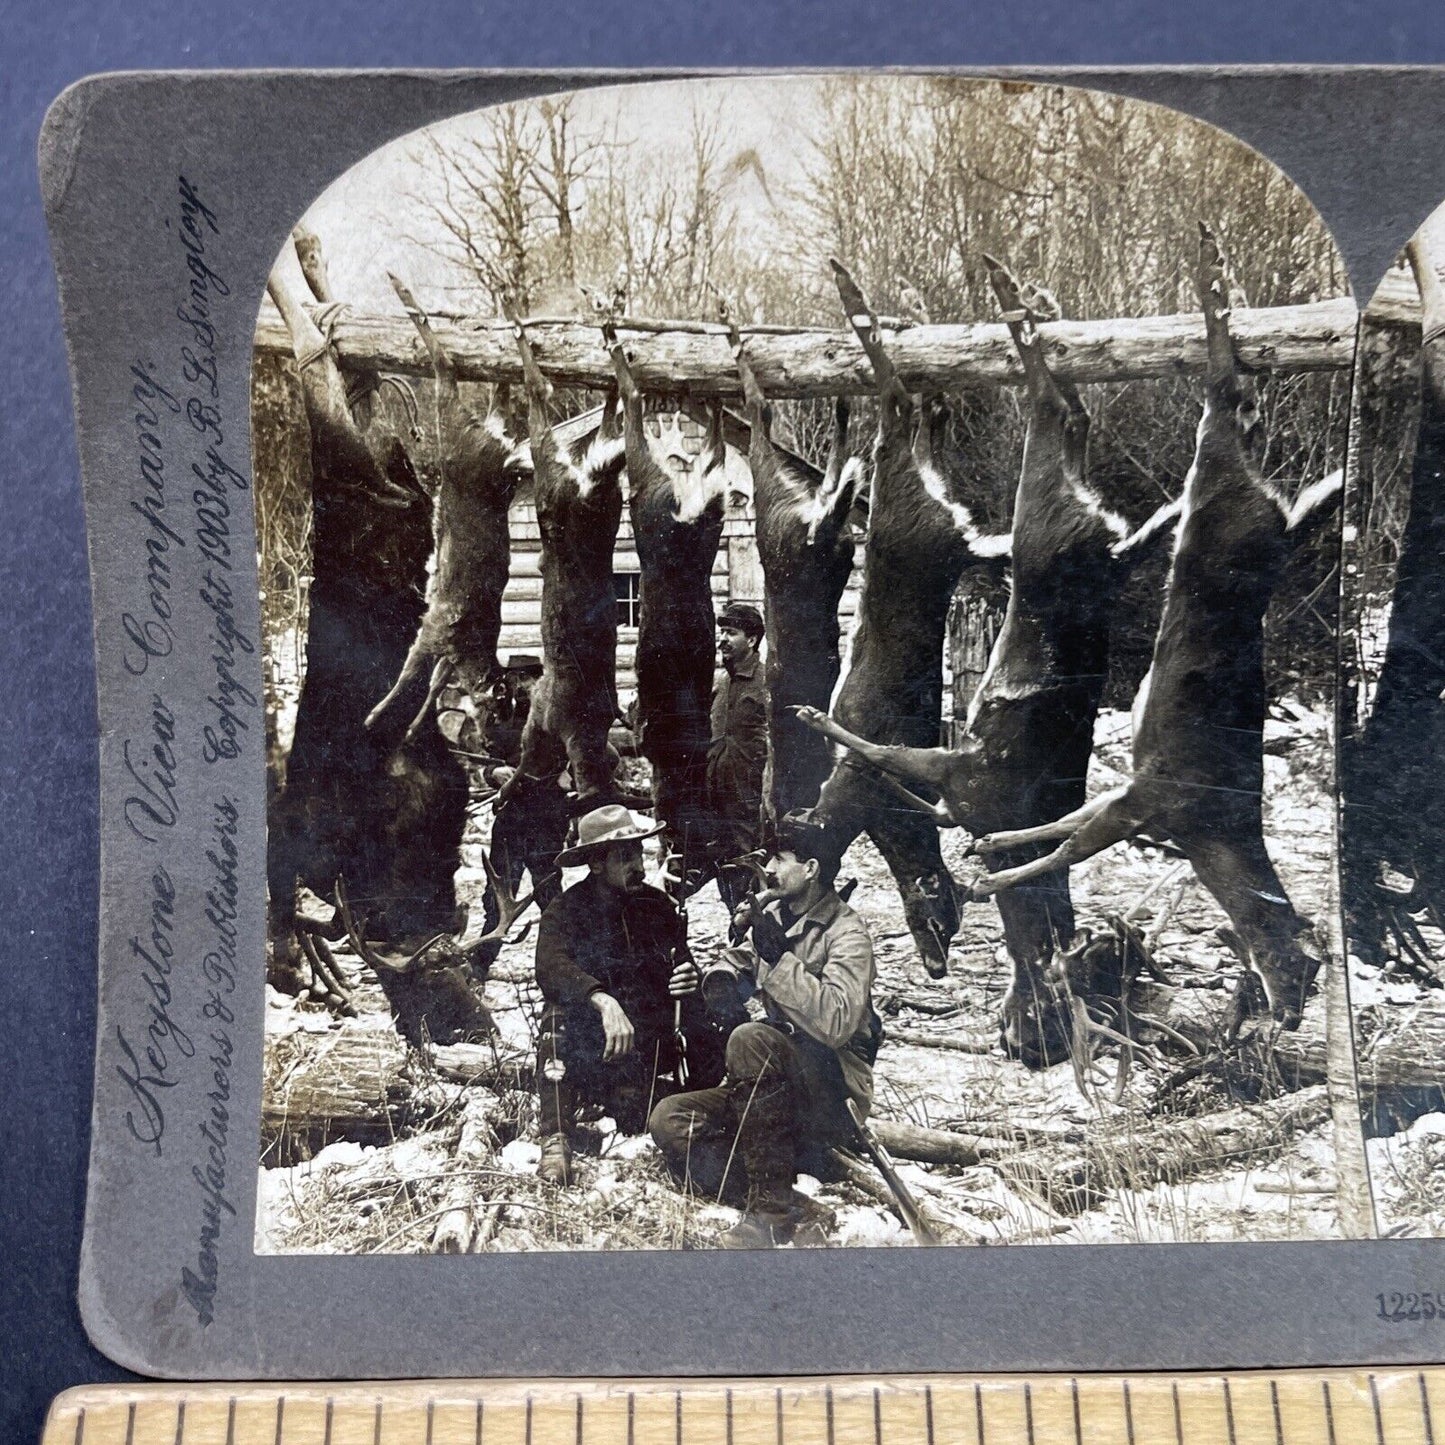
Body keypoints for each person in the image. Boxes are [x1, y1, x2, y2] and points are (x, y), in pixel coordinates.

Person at [649, 812, 880, 1248]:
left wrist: (780, 961)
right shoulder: (775, 913)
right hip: (770, 1089)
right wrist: (718, 979)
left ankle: (768, 1217)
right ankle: (792, 1202)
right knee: (670, 1119)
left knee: (751, 1039)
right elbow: (739, 961)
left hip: (833, 1097)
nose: (768, 868)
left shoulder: (848, 935)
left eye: (780, 857)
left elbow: (835, 1023)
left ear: (811, 869)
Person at [534, 804, 725, 1185]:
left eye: (638, 853)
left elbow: (681, 963)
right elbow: (549, 966)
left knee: (711, 1016)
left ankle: (706, 1116)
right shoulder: (567, 909)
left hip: (651, 1050)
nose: (637, 864)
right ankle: (555, 1138)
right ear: (596, 864)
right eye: (624, 856)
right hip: (596, 1047)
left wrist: (690, 978)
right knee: (555, 1014)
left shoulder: (657, 906)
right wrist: (602, 1000)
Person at [706, 601, 769, 908]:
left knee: (752, 867)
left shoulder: (767, 681)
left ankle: (755, 937)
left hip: (751, 799)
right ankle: (738, 928)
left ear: (753, 639)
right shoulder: (721, 682)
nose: (723, 640)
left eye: (731, 632)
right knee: (726, 868)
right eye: (722, 632)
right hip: (718, 796)